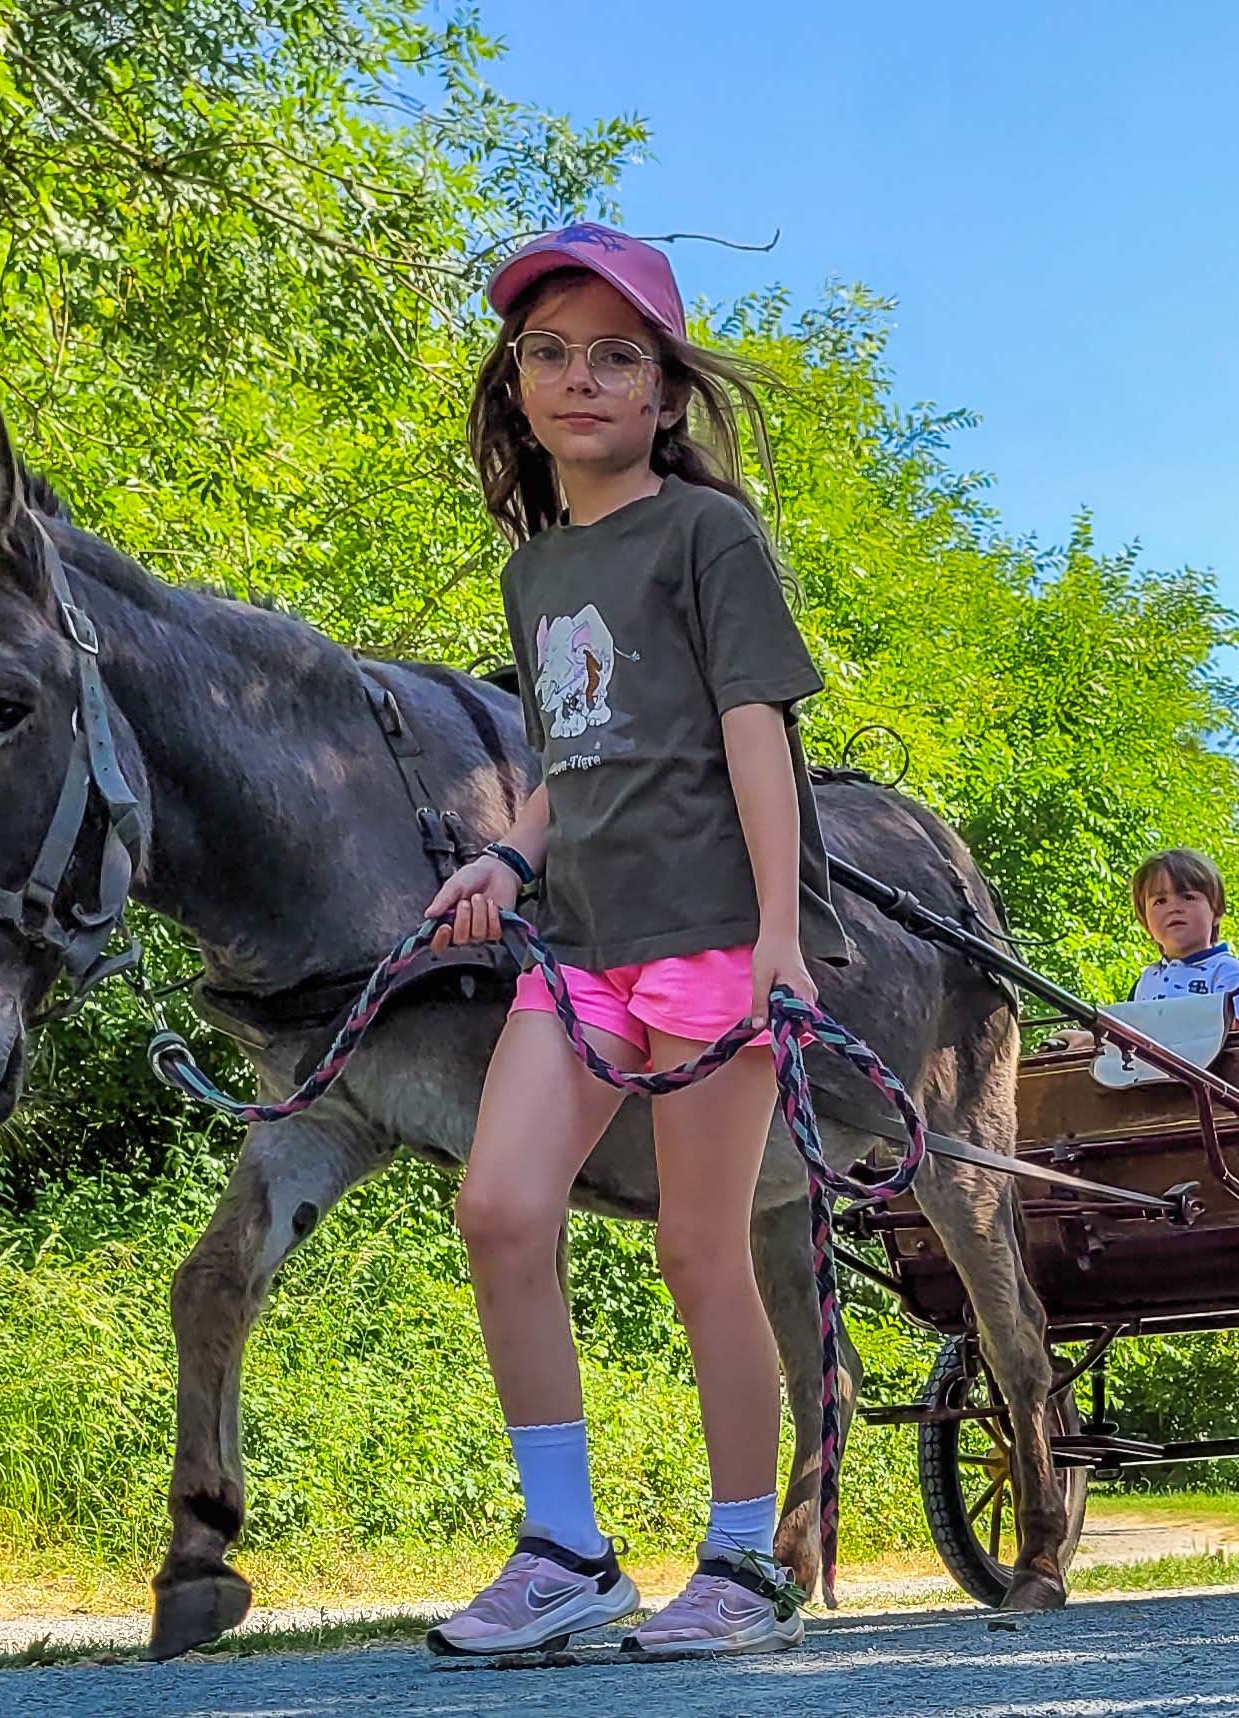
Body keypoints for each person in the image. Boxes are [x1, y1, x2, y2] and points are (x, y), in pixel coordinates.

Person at [420, 223, 845, 1658]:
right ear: (517, 384)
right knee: (499, 1208)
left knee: (695, 1245)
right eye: (550, 352)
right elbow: (570, 765)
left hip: (715, 936)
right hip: (581, 943)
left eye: (617, 356)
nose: (580, 378)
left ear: (665, 393)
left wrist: (782, 934)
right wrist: (502, 854)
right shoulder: (536, 576)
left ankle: (742, 1561)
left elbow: (753, 733)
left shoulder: (706, 534)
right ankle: (567, 1549)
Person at [1046, 848, 1239, 1051]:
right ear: (1146, 922)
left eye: (1188, 897)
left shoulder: (1228, 971)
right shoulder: (1146, 982)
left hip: (1208, 1082)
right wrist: (1091, 1040)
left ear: (1217, 911)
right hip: (1147, 1083)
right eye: (1160, 901)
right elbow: (1126, 1039)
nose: (1174, 907)